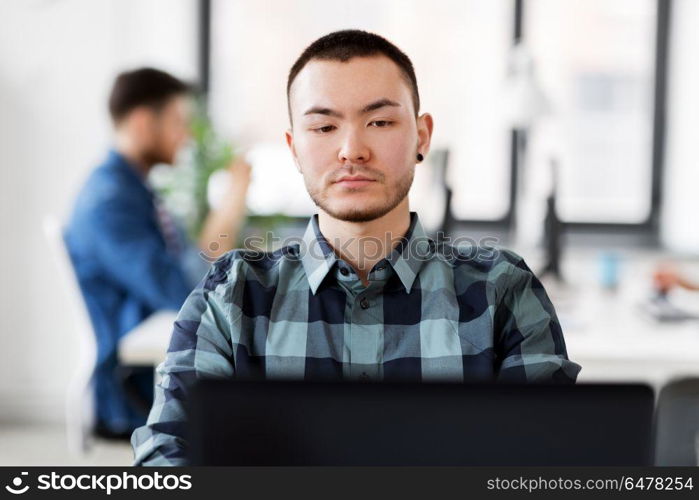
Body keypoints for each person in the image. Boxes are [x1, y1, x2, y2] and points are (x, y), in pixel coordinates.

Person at [132, 31, 581, 465]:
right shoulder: (231, 295)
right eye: (324, 126)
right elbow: (167, 451)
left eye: (380, 122)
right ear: (294, 148)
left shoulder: (502, 291)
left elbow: (554, 461)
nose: (352, 150)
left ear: (422, 137)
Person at [65, 68, 251, 438]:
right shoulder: (110, 203)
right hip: (136, 385)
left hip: (160, 360)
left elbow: (193, 266)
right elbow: (183, 289)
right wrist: (234, 197)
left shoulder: (135, 192)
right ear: (142, 122)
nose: (185, 137)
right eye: (177, 121)